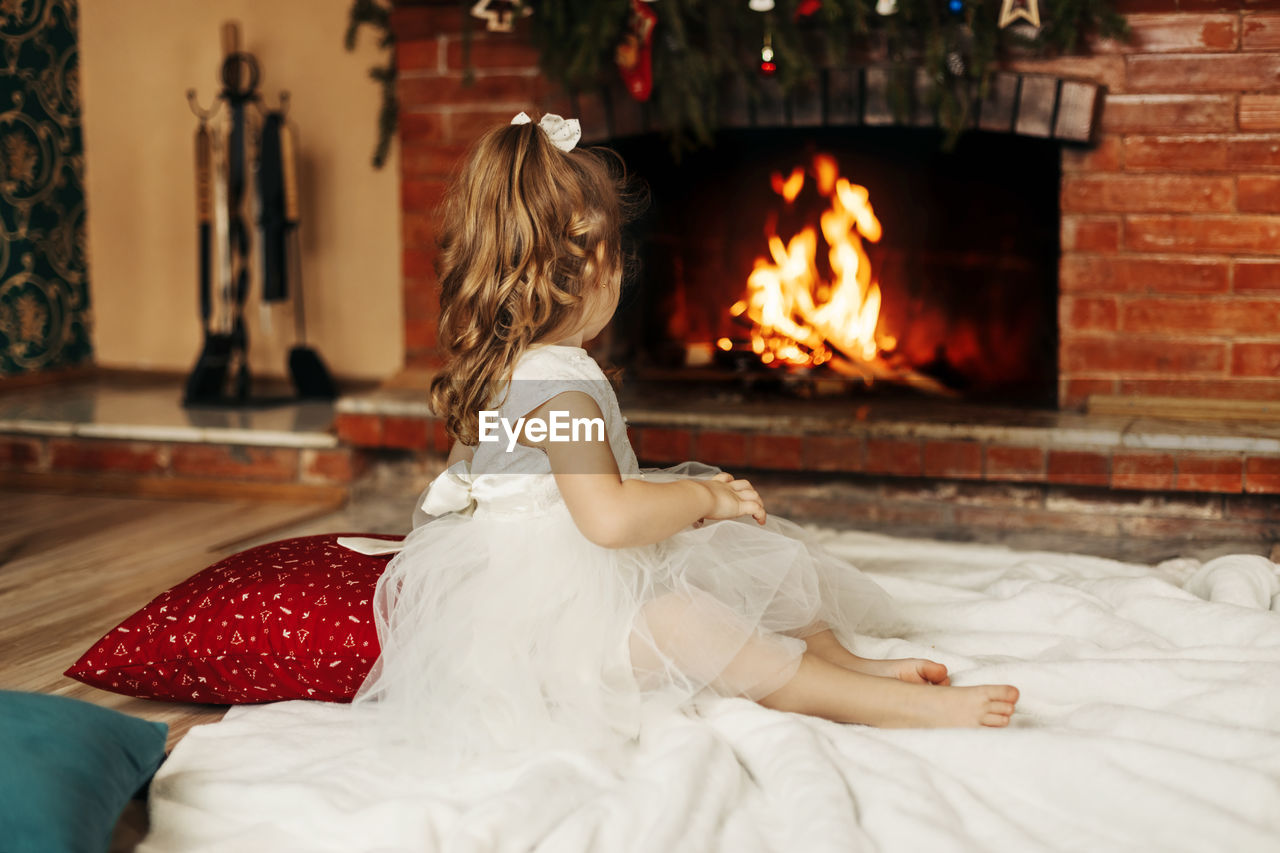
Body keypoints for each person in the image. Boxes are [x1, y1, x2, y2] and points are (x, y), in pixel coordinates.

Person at [347, 112, 1018, 767]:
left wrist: (697, 512)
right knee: (695, 624)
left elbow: (461, 495)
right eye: (616, 254)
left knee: (749, 555)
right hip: (544, 629)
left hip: (522, 590)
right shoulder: (562, 388)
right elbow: (608, 519)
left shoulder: (498, 366)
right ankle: (871, 699)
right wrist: (700, 494)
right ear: (585, 269)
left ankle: (850, 663)